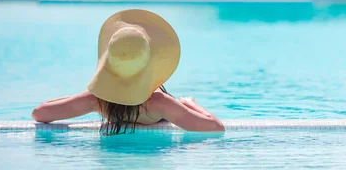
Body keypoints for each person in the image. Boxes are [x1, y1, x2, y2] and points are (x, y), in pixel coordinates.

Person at [32, 9, 225, 135]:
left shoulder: (97, 101)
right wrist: (191, 103)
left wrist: (88, 93)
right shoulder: (160, 103)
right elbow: (216, 128)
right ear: (151, 61)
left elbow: (39, 113)